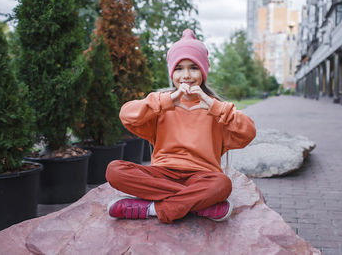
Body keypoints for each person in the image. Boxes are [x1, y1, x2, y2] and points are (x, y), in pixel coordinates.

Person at [105, 28, 256, 224]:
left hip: (202, 177)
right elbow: (126, 115)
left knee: (222, 185)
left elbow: (249, 132)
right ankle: (199, 204)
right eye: (179, 68)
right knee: (114, 170)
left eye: (193, 67)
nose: (186, 75)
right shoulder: (160, 104)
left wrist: (214, 106)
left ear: (203, 71)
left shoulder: (216, 109)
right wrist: (167, 101)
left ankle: (151, 208)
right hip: (161, 175)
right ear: (172, 72)